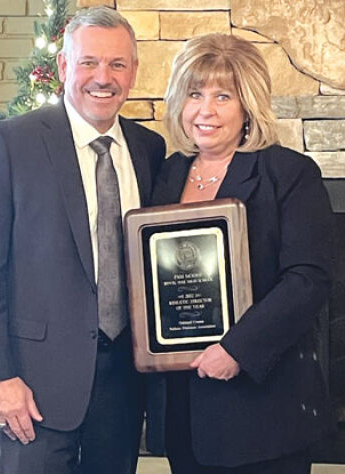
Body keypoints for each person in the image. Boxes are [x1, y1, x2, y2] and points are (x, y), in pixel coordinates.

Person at [0, 6, 165, 474]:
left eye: (117, 64)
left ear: (133, 71)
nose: (102, 77)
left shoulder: (150, 149)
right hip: (32, 385)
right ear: (64, 67)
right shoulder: (11, 142)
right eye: (89, 62)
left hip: (124, 384)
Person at [151, 33, 333, 474]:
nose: (205, 110)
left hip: (263, 407)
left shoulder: (289, 173)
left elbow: (308, 279)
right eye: (194, 93)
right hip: (185, 407)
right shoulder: (167, 173)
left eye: (222, 96)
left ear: (248, 104)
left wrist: (236, 349)